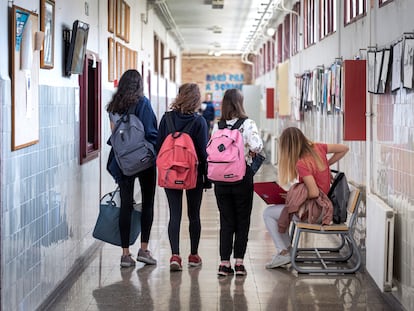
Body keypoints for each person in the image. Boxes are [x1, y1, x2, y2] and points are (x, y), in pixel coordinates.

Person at [263, 127, 349, 269]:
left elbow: (314, 192)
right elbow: (344, 148)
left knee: (268, 213)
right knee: (278, 212)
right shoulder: (319, 148)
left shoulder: (302, 163)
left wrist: (295, 197)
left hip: (315, 213)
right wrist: (325, 165)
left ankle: (284, 251)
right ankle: (286, 251)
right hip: (324, 208)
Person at [106, 69, 158, 268]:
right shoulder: (143, 103)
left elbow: (116, 135)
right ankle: (144, 250)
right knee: (148, 202)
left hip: (122, 162)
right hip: (144, 161)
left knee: (125, 204)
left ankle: (125, 254)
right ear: (139, 85)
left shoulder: (113, 106)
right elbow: (151, 132)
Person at [156, 83, 209, 271]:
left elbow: (159, 147)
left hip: (170, 172)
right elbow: (203, 153)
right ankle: (193, 256)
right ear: (196, 99)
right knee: (194, 215)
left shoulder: (166, 119)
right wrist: (206, 177)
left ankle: (174, 257)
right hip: (193, 173)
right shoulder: (200, 122)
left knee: (174, 215)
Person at [212, 88, 264, 276]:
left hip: (221, 180)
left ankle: (224, 263)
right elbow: (258, 146)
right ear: (240, 103)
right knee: (242, 220)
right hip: (242, 178)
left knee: (226, 221)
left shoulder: (218, 126)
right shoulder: (248, 123)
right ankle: (239, 263)